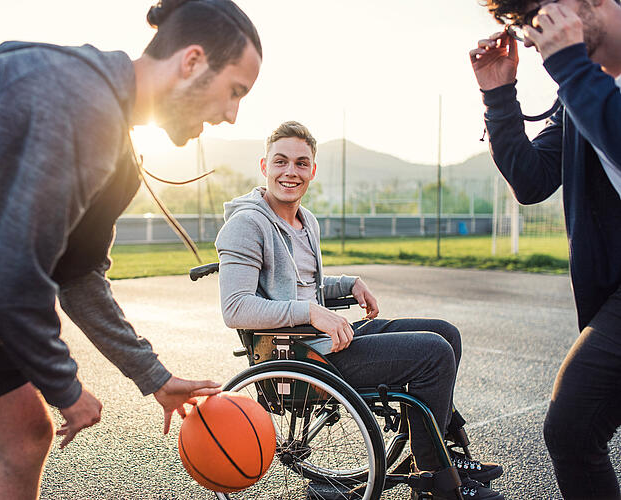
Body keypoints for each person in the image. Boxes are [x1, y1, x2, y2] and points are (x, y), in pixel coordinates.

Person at [0, 0, 261, 498]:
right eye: (234, 92)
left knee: (28, 437)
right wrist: (66, 387)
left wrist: (155, 375)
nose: (231, 115)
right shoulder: (79, 100)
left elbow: (78, 276)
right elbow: (16, 280)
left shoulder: (113, 142)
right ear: (191, 62)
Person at [215, 121, 504, 500]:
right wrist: (310, 312)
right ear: (264, 165)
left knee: (446, 333)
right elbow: (235, 308)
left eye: (302, 163)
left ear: (313, 171)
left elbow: (306, 287)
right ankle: (434, 477)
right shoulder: (246, 225)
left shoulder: (306, 222)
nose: (291, 172)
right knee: (433, 353)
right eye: (281, 161)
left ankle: (435, 454)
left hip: (321, 342)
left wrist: (349, 283)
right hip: (300, 356)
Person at [470, 1, 621, 498]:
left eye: (541, 14)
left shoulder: (581, 78)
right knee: (572, 430)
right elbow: (532, 180)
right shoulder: (581, 86)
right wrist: (498, 95)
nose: (535, 36)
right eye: (525, 24)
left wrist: (573, 67)